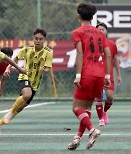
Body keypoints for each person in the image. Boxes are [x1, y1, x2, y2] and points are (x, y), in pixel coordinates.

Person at [67, 3, 111, 150]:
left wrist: (78, 75)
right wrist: (107, 75)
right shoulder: (100, 33)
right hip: (99, 75)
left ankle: (92, 130)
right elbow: (108, 54)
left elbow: (80, 53)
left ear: (78, 16)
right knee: (86, 108)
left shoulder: (77, 32)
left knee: (76, 108)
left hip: (87, 74)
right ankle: (77, 138)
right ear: (93, 17)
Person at [0, 28, 53, 136]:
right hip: (24, 76)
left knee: (20, 107)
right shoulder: (27, 49)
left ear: (44, 40)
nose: (38, 41)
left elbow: (48, 67)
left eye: (40, 39)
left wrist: (45, 69)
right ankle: (10, 114)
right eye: (36, 38)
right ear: (33, 38)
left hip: (35, 83)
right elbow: (15, 59)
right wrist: (8, 68)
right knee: (27, 94)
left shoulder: (48, 52)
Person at [95, 22, 123, 126]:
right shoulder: (93, 45)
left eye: (103, 29)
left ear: (106, 31)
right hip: (97, 75)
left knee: (110, 97)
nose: (101, 31)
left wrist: (119, 75)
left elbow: (115, 60)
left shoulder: (111, 44)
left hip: (109, 75)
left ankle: (104, 112)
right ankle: (100, 119)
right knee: (99, 97)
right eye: (98, 29)